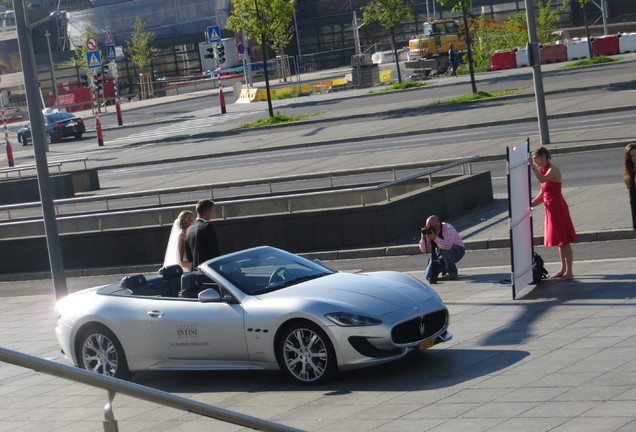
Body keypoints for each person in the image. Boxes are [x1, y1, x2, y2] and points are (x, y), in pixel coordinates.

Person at [529, 147, 578, 281]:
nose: (535, 161)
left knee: (564, 241)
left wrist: (533, 168)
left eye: (536, 159)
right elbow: (543, 193)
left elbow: (542, 179)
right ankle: (563, 269)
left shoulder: (553, 170)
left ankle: (569, 272)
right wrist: (531, 203)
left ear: (544, 157)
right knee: (559, 241)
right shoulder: (544, 170)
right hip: (551, 209)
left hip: (558, 208)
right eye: (534, 160)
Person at [419, 215, 465, 282]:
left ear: (437, 226)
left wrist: (435, 238)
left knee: (444, 248)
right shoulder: (430, 231)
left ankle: (452, 272)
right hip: (441, 254)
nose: (429, 229)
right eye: (427, 227)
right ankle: (443, 267)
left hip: (457, 251)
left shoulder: (447, 228)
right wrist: (423, 238)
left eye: (430, 227)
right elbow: (423, 250)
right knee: (428, 276)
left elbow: (448, 246)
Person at [185, 199, 220, 269]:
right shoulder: (208, 227)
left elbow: (189, 257)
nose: (213, 213)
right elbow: (214, 252)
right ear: (207, 212)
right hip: (208, 271)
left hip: (195, 271)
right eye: (212, 211)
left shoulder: (189, 229)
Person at [623, 143, 636, 230]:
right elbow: (633, 200)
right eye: (632, 156)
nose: (635, 157)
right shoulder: (630, 173)